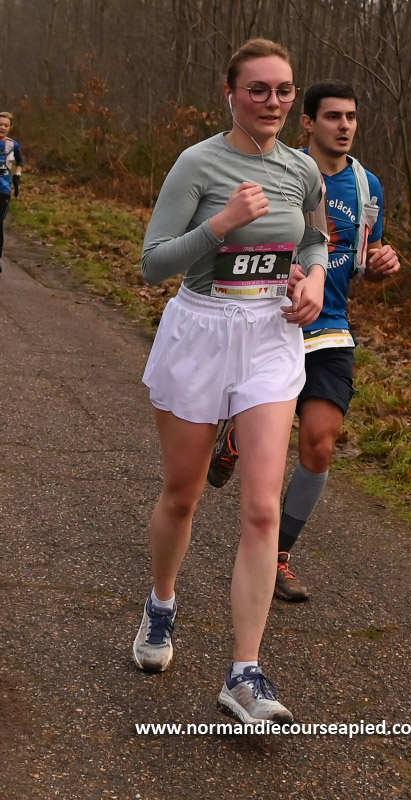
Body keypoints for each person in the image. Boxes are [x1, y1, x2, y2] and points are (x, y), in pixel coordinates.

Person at [133, 39, 328, 724]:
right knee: (183, 494)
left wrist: (313, 277)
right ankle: (161, 603)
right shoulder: (197, 164)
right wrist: (221, 224)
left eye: (283, 90)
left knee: (262, 508)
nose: (272, 102)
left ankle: (244, 673)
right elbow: (153, 264)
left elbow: (314, 236)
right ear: (231, 94)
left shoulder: (302, 169)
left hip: (270, 336)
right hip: (202, 329)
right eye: (258, 90)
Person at [207, 80, 400, 601]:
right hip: (275, 321)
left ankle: (278, 556)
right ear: (309, 123)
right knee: (267, 439)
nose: (344, 126)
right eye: (333, 116)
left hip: (331, 327)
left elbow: (365, 257)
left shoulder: (367, 186)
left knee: (320, 442)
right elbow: (239, 244)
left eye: (351, 117)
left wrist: (383, 262)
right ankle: (236, 437)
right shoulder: (281, 171)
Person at [0, 111, 23, 273]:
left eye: (5, 125)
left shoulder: (13, 145)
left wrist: (17, 175)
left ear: (10, 128)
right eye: (0, 124)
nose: (2, 127)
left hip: (4, 189)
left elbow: (20, 162)